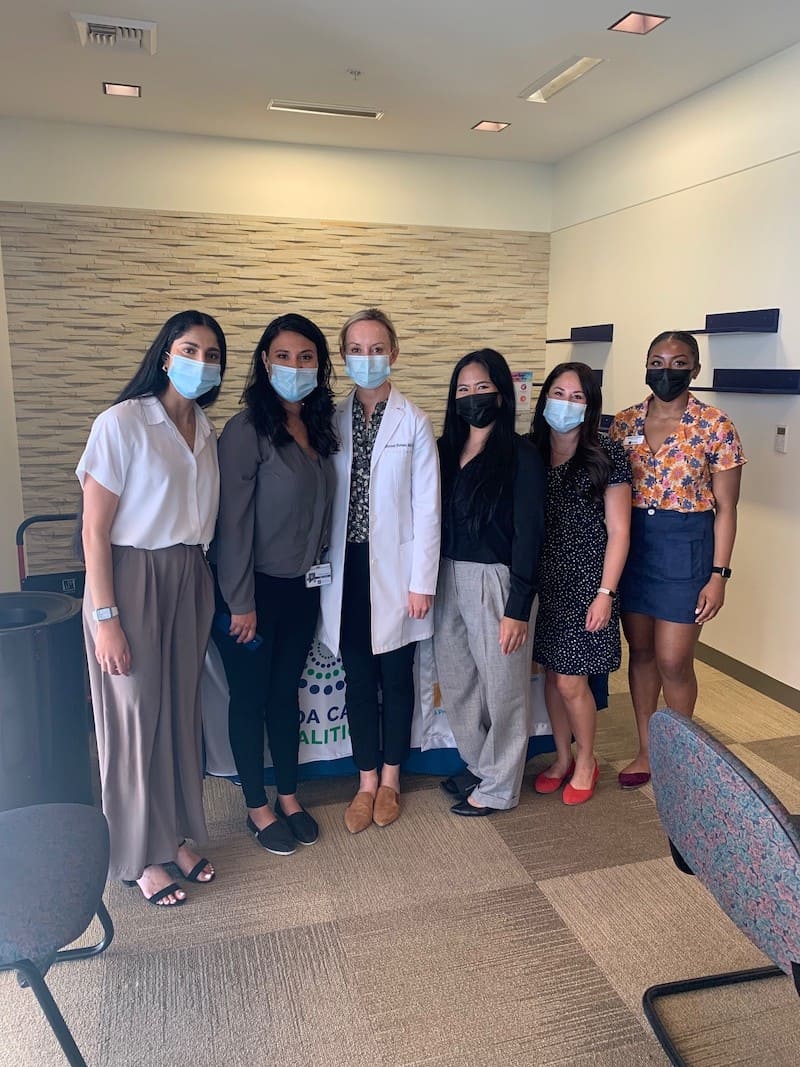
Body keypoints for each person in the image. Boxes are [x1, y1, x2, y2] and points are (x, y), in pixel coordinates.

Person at [77, 310, 226, 907]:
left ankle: (175, 835)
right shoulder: (122, 423)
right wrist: (105, 618)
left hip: (188, 575)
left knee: (178, 713)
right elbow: (94, 530)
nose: (201, 363)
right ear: (166, 354)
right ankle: (137, 853)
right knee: (134, 717)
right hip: (132, 574)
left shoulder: (207, 431)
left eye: (212, 354)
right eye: (190, 349)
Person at [212, 314, 337, 854]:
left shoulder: (319, 426)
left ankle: (288, 794)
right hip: (250, 593)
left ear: (319, 365)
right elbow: (232, 524)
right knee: (250, 697)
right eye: (282, 356)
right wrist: (240, 603)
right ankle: (257, 806)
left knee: (287, 693)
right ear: (264, 362)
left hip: (301, 589)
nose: (294, 366)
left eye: (305, 357)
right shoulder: (245, 431)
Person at [318, 308, 440, 833]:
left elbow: (427, 506)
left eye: (376, 349)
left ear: (394, 352)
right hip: (345, 568)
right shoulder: (330, 419)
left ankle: (391, 779)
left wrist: (422, 583)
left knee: (397, 676)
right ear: (343, 356)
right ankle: (365, 781)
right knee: (358, 679)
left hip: (396, 570)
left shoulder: (414, 421)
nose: (366, 359)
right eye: (355, 350)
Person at [609, 331, 746, 788]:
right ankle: (647, 750)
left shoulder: (715, 425)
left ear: (695, 370)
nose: (665, 370)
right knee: (642, 651)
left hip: (686, 548)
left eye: (678, 361)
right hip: (633, 547)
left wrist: (719, 574)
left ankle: (683, 755)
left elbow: (726, 508)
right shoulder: (624, 422)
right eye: (656, 360)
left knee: (673, 659)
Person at [434, 349, 546, 816]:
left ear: (501, 393)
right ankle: (481, 763)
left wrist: (518, 605)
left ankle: (501, 786)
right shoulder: (443, 448)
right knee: (458, 681)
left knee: (504, 688)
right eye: (463, 389)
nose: (472, 397)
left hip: (497, 580)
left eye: (482, 388)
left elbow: (530, 532)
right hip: (445, 575)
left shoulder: (520, 454)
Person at [529, 362, 631, 804]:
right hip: (542, 585)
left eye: (577, 397)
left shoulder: (608, 456)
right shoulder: (530, 452)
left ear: (590, 406)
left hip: (589, 586)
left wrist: (606, 594)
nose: (565, 404)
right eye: (558, 393)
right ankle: (561, 756)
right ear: (544, 397)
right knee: (552, 680)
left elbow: (620, 531)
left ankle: (587, 760)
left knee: (573, 682)